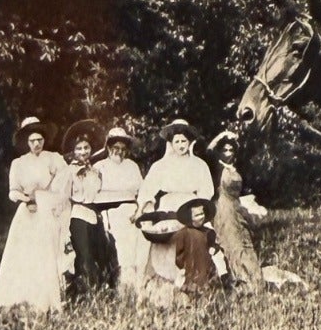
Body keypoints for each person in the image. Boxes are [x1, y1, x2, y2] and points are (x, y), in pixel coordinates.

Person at [0, 116, 70, 312]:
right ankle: (23, 296)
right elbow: (13, 191)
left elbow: (63, 183)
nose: (36, 144)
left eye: (39, 140)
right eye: (32, 141)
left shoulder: (53, 159)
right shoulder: (19, 163)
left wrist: (44, 195)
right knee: (24, 252)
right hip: (27, 212)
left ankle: (44, 299)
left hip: (46, 209)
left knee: (45, 252)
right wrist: (27, 199)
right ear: (26, 141)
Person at [135, 120, 215, 304]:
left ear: (190, 143)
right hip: (167, 207)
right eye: (177, 141)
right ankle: (164, 288)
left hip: (191, 206)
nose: (181, 145)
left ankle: (192, 286)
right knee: (164, 240)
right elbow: (147, 190)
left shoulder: (199, 165)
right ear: (171, 143)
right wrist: (143, 208)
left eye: (184, 141)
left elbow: (206, 192)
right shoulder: (160, 166)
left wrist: (200, 209)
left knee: (194, 238)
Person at [205, 126, 265, 287]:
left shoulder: (236, 169)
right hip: (222, 209)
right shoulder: (216, 166)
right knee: (231, 243)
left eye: (231, 150)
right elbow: (208, 151)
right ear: (219, 151)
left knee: (244, 241)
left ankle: (255, 278)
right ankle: (240, 279)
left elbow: (243, 190)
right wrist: (222, 135)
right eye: (224, 150)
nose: (228, 153)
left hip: (236, 208)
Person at [62, 131, 119, 298]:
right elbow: (64, 196)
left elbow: (99, 193)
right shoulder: (68, 171)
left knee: (101, 252)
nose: (83, 151)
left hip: (94, 214)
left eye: (86, 148)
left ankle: (102, 290)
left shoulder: (95, 171)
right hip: (77, 215)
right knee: (83, 253)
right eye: (79, 149)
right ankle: (82, 292)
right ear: (73, 152)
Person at [97, 126, 146, 293]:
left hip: (132, 212)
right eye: (116, 148)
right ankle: (122, 287)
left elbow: (141, 192)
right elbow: (94, 196)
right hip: (110, 212)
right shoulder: (100, 167)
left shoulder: (132, 166)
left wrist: (138, 211)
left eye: (123, 149)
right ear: (109, 148)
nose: (119, 152)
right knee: (121, 248)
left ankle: (137, 287)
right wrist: (105, 217)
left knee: (138, 248)